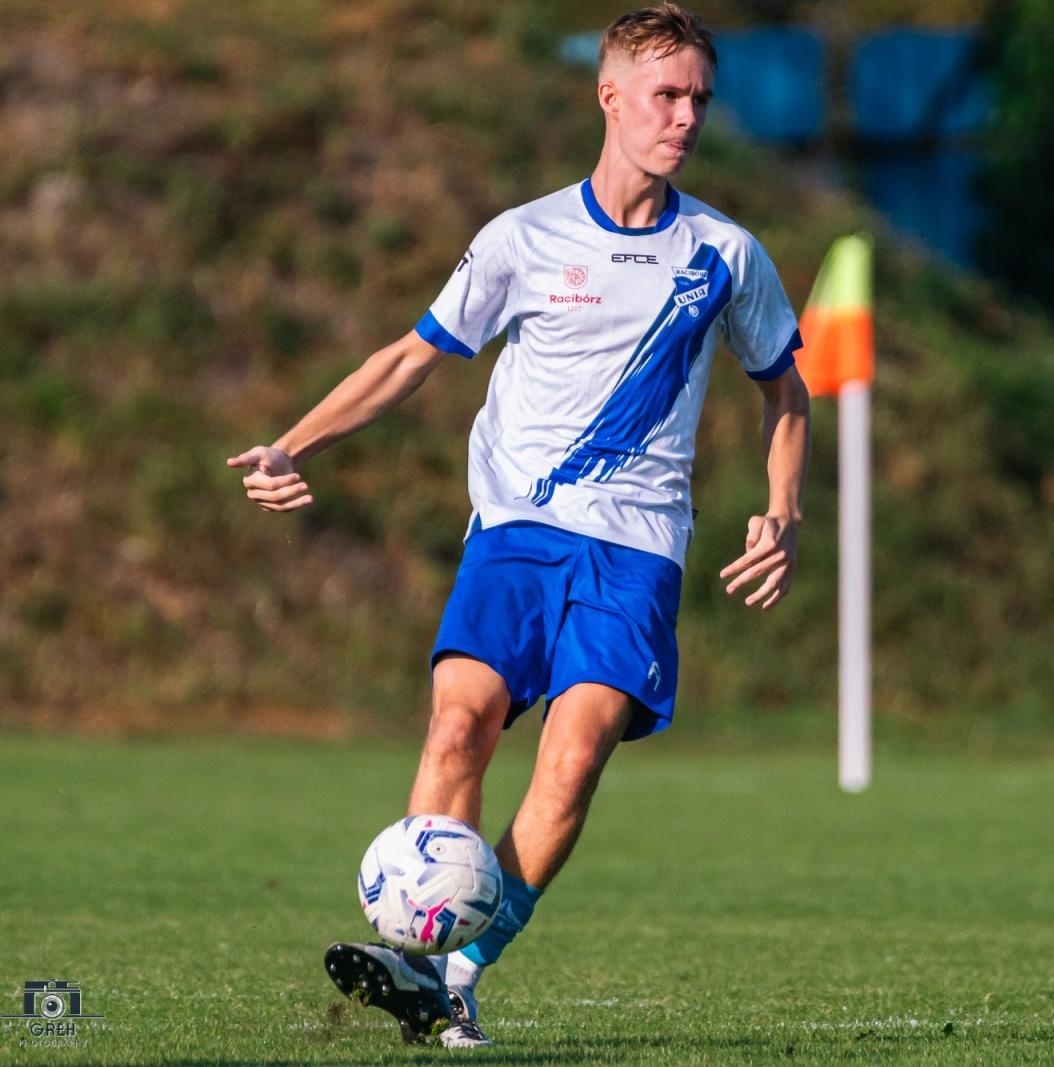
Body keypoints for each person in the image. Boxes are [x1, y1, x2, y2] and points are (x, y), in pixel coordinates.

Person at [227, 3, 810, 1048]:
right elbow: (411, 357)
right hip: (516, 532)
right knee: (461, 719)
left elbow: (784, 390)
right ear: (610, 95)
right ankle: (414, 949)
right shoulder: (523, 238)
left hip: (636, 548)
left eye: (699, 100)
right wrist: (292, 443)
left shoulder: (725, 253)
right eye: (667, 95)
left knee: (575, 752)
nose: (685, 117)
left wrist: (782, 513)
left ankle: (453, 971)